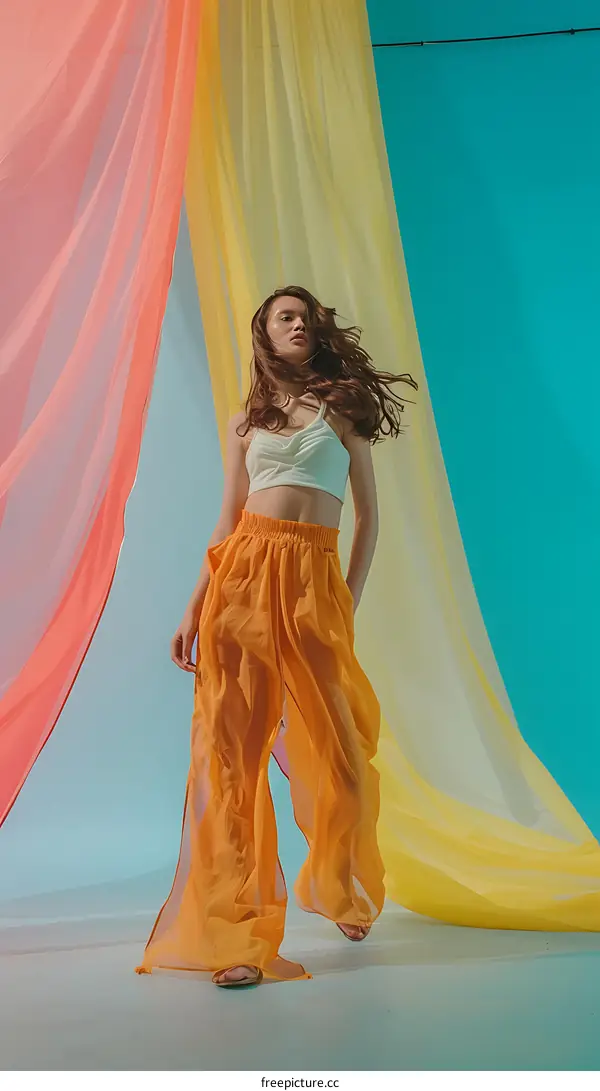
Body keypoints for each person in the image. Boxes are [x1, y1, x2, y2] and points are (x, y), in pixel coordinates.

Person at [135, 286, 417, 988]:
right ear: (264, 332)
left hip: (313, 580)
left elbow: (369, 518)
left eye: (305, 317)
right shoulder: (246, 424)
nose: (298, 324)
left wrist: (345, 601)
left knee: (344, 756)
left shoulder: (342, 410)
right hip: (241, 579)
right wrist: (193, 606)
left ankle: (340, 884)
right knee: (231, 760)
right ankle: (238, 935)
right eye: (284, 316)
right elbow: (227, 521)